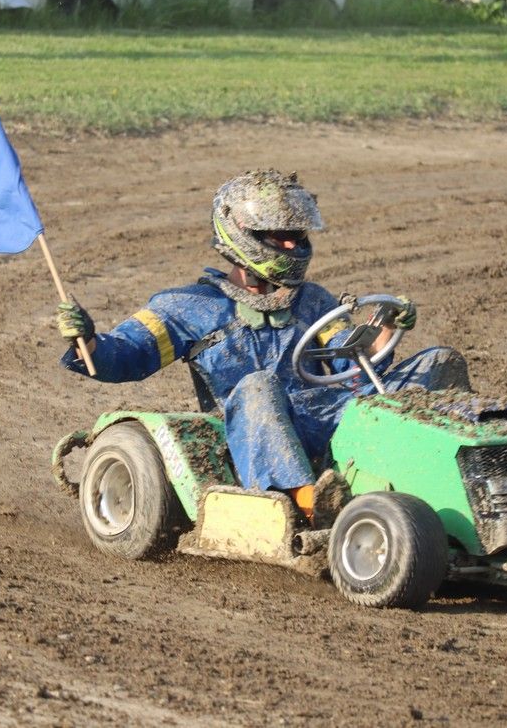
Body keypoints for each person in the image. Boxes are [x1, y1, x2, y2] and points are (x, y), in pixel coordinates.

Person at [57, 169, 470, 525]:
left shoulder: (314, 301)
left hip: (330, 414)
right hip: (250, 427)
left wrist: (385, 329)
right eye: (281, 237)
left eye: (297, 236)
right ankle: (310, 506)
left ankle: (459, 480)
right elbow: (127, 355)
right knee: (259, 385)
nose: (292, 246)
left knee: (440, 361)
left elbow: (356, 365)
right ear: (244, 236)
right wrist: (89, 340)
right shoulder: (188, 307)